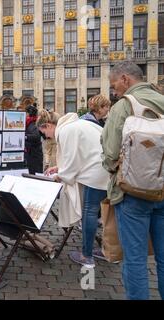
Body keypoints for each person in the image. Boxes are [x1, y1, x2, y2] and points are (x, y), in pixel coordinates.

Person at [101, 61, 164, 300]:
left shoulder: (123, 107)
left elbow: (110, 154)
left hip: (132, 193)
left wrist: (112, 169)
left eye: (114, 85)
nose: (114, 91)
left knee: (135, 259)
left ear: (125, 79)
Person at [37, 109, 110, 268]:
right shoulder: (78, 124)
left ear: (48, 125)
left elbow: (71, 161)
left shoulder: (66, 131)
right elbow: (80, 154)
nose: (47, 138)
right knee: (104, 213)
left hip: (95, 173)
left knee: (89, 212)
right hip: (105, 170)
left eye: (44, 133)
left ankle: (87, 256)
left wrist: (60, 175)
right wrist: (59, 167)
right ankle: (107, 250)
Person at [24, 104, 43, 174]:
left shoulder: (33, 123)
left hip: (34, 154)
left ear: (29, 113)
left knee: (35, 173)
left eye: (26, 112)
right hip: (31, 153)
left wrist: (25, 136)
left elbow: (36, 136)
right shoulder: (29, 122)